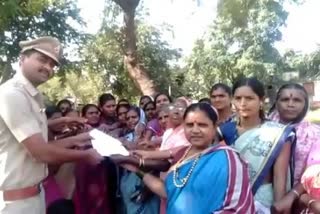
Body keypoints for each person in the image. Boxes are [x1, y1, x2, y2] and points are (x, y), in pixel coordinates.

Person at [0, 36, 102, 214]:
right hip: (15, 203)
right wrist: (85, 156)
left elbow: (41, 146)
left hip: (33, 197)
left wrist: (80, 138)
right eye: (42, 60)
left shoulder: (32, 96)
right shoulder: (12, 95)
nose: (48, 67)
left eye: (52, 64)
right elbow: (40, 152)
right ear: (22, 59)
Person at [114, 103, 256, 213]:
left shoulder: (228, 158)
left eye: (202, 125)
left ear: (214, 127)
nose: (195, 130)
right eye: (189, 125)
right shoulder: (182, 154)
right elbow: (168, 191)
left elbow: (237, 207)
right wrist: (134, 168)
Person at [218, 77, 295, 212]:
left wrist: (278, 208)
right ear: (232, 100)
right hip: (230, 200)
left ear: (261, 100)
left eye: (249, 98)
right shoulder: (224, 131)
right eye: (238, 98)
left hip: (263, 203)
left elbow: (279, 178)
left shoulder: (278, 133)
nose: (243, 103)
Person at [267, 83, 320, 213]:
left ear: (305, 104)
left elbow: (313, 172)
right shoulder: (262, 129)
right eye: (285, 99)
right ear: (277, 102)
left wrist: (292, 196)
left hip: (302, 198)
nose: (290, 104)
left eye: (297, 100)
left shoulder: (315, 134)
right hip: (262, 198)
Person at [119, 106, 160, 214]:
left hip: (147, 183)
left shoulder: (152, 139)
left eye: (134, 117)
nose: (131, 120)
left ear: (141, 118)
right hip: (128, 182)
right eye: (128, 118)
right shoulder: (125, 137)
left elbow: (156, 162)